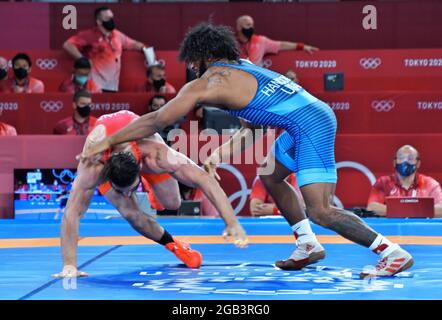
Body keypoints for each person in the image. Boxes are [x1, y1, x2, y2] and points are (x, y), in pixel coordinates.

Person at [80, 23, 413, 278]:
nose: (193, 68)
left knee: (321, 210)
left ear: (203, 56)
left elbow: (157, 118)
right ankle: (307, 243)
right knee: (270, 174)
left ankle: (390, 251)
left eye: (194, 61)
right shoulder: (243, 69)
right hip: (305, 120)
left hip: (310, 125)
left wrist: (108, 141)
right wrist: (218, 155)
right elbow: (253, 127)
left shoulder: (209, 81)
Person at [54, 110, 247, 278]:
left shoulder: (158, 155)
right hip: (110, 156)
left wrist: (231, 222)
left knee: (173, 203)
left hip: (142, 150)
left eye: (131, 188)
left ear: (139, 167)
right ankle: (175, 245)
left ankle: (149, 184)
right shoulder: (93, 167)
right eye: (124, 190)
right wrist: (69, 266)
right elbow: (72, 213)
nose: (128, 193)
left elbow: (204, 180)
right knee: (133, 215)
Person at [63, 7, 146, 92]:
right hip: (95, 86)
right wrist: (83, 60)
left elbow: (133, 44)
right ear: (99, 21)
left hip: (112, 86)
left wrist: (145, 49)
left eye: (112, 18)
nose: (111, 20)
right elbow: (67, 45)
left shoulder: (117, 35)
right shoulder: (90, 35)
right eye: (108, 18)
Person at [367, 145, 442, 217]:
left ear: (418, 163)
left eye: (410, 158)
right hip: (392, 229)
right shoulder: (383, 182)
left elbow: (441, 209)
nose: (405, 162)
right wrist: (418, 210)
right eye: (401, 158)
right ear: (394, 162)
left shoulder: (430, 183)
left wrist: (397, 210)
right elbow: (371, 208)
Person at [236, 15, 319, 66]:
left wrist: (302, 46)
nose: (251, 28)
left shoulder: (260, 41)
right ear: (239, 27)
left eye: (252, 25)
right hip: (237, 78)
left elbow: (282, 45)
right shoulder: (231, 42)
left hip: (255, 79)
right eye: (248, 25)